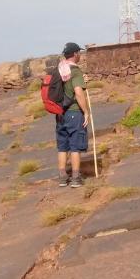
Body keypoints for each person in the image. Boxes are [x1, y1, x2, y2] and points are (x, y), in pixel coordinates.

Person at [56, 42, 89, 188]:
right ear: (75, 54)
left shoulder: (59, 69)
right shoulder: (75, 71)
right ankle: (76, 177)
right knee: (75, 146)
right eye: (79, 53)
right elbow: (78, 92)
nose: (80, 55)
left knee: (63, 146)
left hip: (60, 113)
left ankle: (62, 177)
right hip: (74, 112)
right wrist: (86, 111)